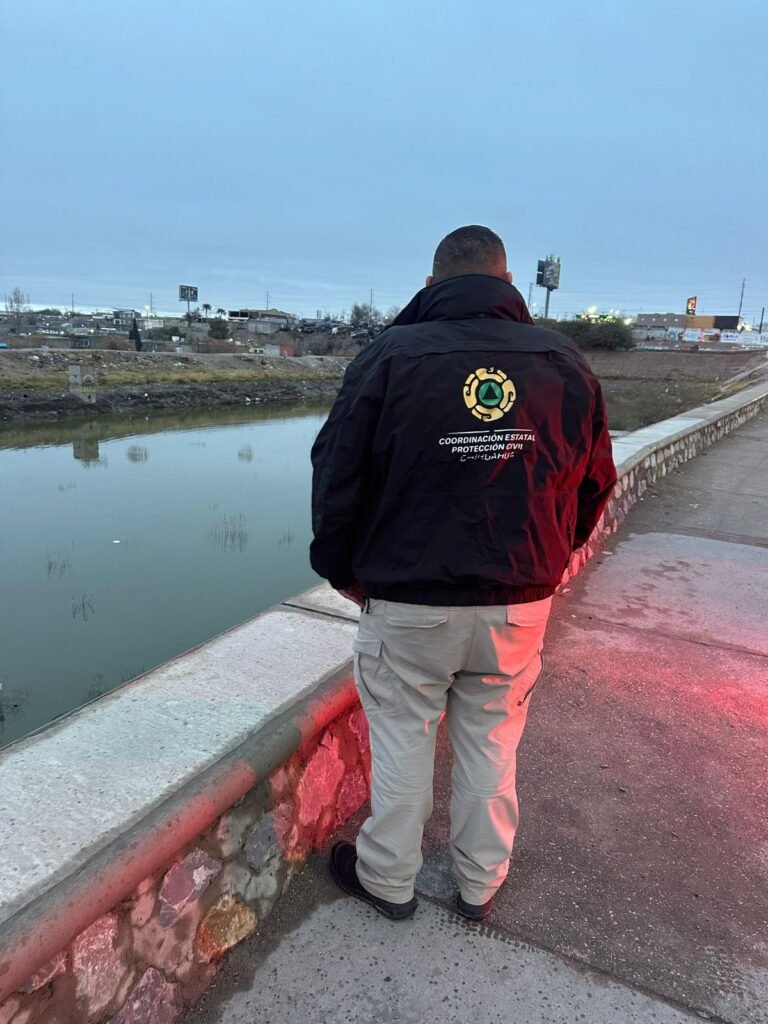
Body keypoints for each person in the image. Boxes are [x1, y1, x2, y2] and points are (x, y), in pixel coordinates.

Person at [310, 225, 616, 922]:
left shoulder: (388, 356)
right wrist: (547, 560)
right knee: (493, 741)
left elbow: (335, 477)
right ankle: (480, 882)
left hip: (408, 599)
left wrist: (341, 572)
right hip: (518, 600)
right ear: (507, 283)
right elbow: (595, 480)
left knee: (402, 740)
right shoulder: (563, 362)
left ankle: (388, 880)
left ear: (429, 285)